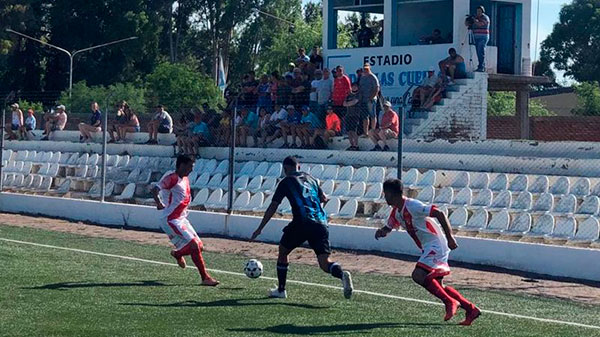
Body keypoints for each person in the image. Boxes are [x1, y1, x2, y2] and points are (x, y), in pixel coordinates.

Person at [375, 179, 480, 326]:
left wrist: (450, 238)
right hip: (429, 247)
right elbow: (389, 227)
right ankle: (471, 309)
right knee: (437, 285)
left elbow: (439, 213)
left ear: (392, 194)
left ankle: (450, 302)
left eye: (385, 194)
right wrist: (382, 232)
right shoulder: (396, 212)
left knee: (418, 275)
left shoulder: (412, 205)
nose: (384, 197)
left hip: (436, 244)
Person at [250, 156, 353, 299]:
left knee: (283, 251)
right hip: (321, 223)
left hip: (302, 222)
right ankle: (342, 274)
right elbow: (324, 198)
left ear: (285, 169)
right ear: (299, 167)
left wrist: (260, 227)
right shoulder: (311, 178)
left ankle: (281, 290)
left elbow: (273, 205)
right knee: (325, 263)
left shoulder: (286, 182)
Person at [151, 155, 219, 287]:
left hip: (181, 218)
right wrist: (159, 203)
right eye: (189, 167)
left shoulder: (185, 179)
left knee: (199, 246)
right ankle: (205, 278)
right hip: (171, 219)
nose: (191, 170)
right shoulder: (172, 178)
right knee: (194, 245)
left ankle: (178, 253)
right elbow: (155, 190)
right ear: (181, 165)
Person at [359, 63, 380, 137]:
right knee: (365, 117)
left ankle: (373, 131)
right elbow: (360, 88)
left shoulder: (373, 77)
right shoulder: (362, 78)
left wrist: (372, 97)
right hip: (364, 99)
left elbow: (377, 88)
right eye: (364, 69)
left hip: (371, 100)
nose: (365, 70)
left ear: (370, 68)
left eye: (367, 69)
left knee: (372, 115)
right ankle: (366, 132)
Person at [344, 82, 361, 151]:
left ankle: (356, 145)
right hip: (348, 114)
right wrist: (349, 103)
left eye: (355, 86)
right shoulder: (349, 95)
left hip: (355, 115)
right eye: (353, 86)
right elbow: (344, 104)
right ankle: (352, 145)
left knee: (354, 131)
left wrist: (348, 103)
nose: (354, 88)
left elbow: (355, 102)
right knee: (349, 131)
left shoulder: (358, 95)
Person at [472, 6, 490, 72]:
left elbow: (480, 24)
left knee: (481, 52)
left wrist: (474, 20)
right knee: (478, 52)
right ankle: (480, 66)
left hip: (483, 37)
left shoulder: (485, 17)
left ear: (482, 11)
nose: (478, 12)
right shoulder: (476, 18)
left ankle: (482, 67)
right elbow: (468, 24)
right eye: (477, 11)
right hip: (476, 37)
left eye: (479, 11)